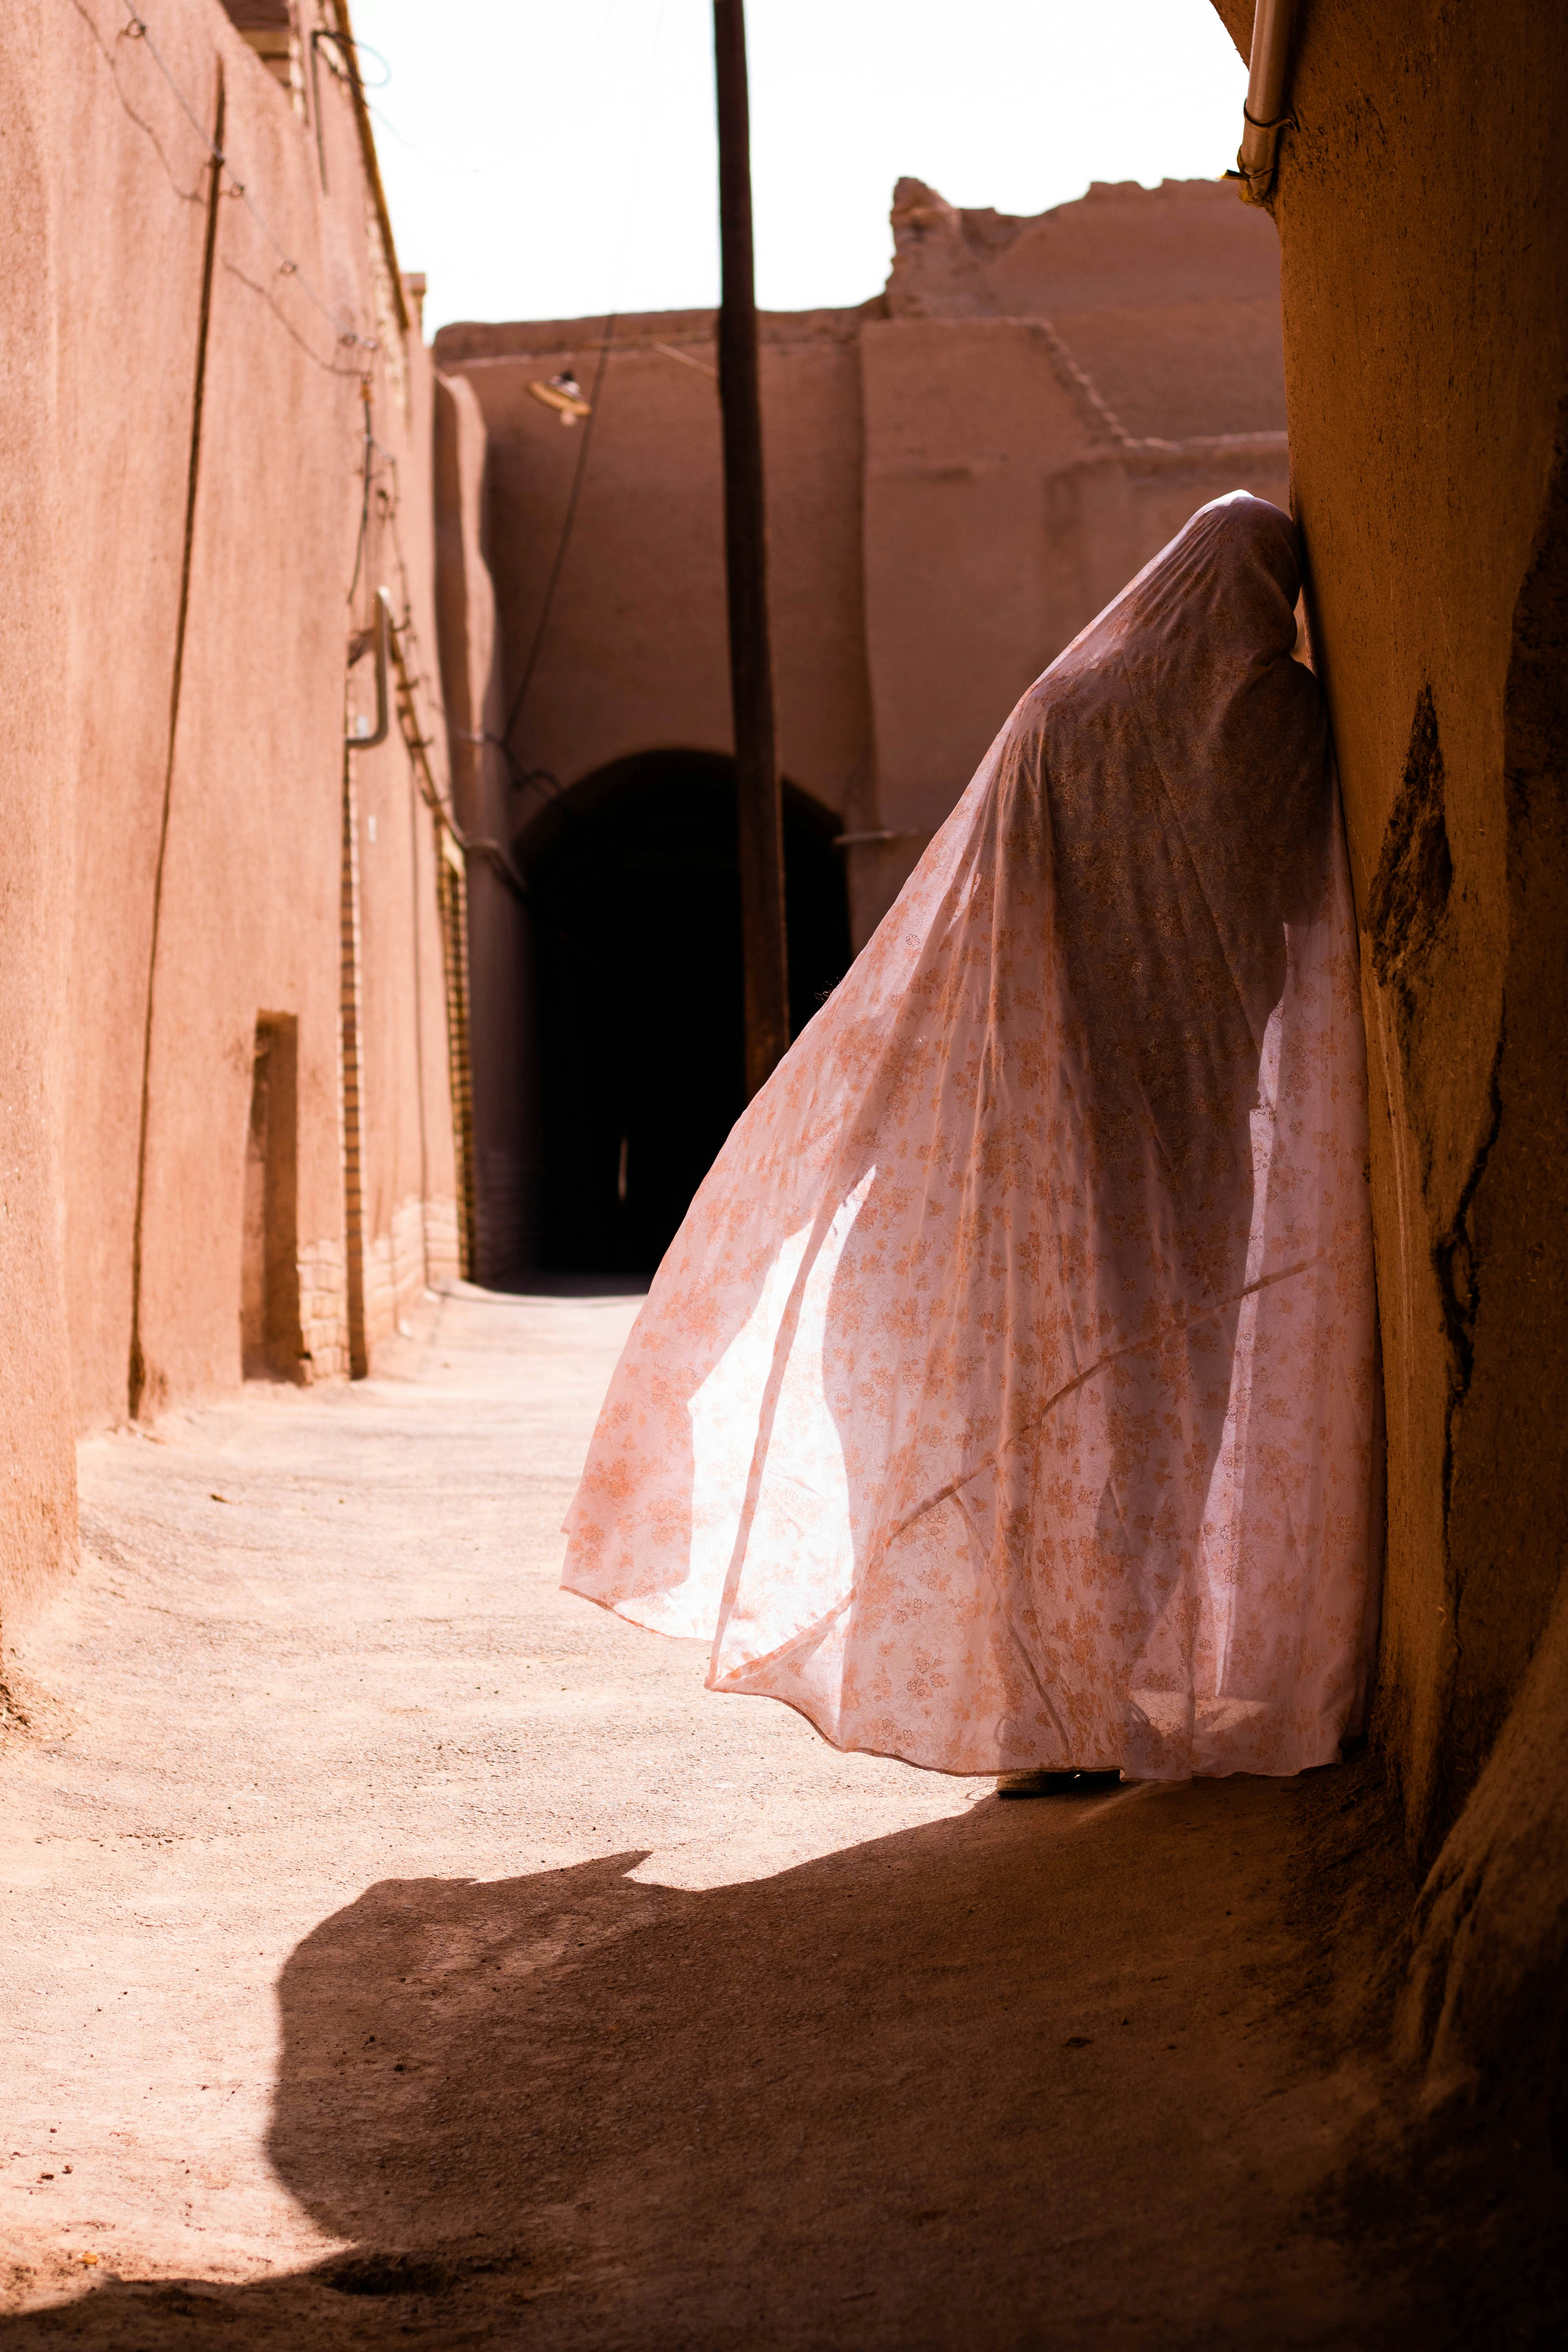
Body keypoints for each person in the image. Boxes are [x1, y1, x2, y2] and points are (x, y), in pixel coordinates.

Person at [562, 492, 1380, 1785]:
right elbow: (1288, 912)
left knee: (1043, 1404)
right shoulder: (1274, 715)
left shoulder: (1068, 714)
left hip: (1042, 1124)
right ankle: (1114, 1679)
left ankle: (1041, 1706)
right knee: (1175, 1399)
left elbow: (983, 927)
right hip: (1194, 1111)